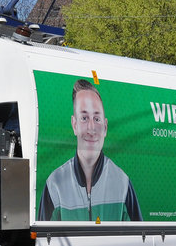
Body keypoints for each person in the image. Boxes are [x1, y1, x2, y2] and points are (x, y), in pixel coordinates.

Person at [37, 78, 141, 222]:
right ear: (74, 125)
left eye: (97, 119)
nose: (91, 129)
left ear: (105, 127)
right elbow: (44, 236)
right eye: (84, 118)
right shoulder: (55, 184)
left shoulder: (122, 184)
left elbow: (137, 235)